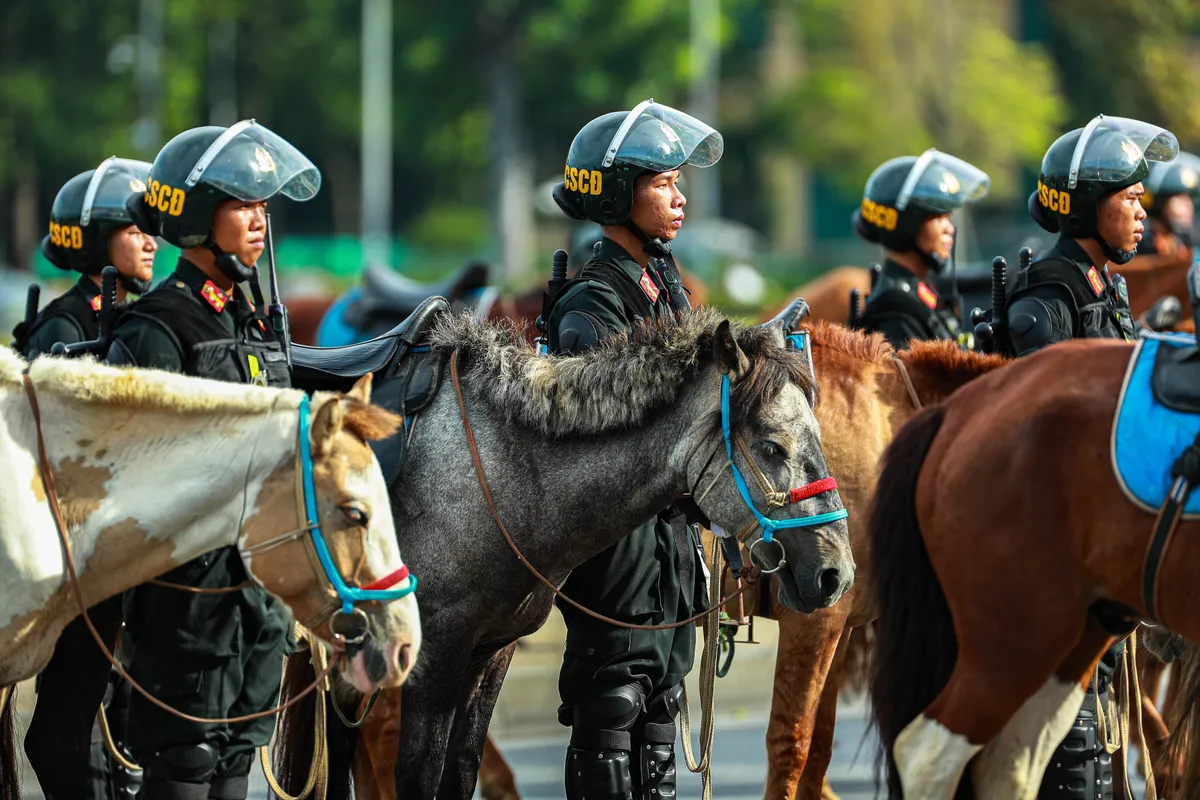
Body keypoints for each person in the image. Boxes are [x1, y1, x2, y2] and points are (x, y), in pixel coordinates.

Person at [105, 119, 320, 800]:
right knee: (186, 773)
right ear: (200, 216)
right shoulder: (158, 329)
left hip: (254, 609)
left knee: (232, 774)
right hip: (185, 617)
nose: (260, 222)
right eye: (243, 205)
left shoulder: (249, 324)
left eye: (263, 207)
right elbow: (137, 478)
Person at [545, 100, 722, 800]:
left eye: (679, 183)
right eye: (663, 184)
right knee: (612, 707)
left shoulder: (662, 285)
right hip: (617, 548)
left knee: (660, 714)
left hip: (669, 546)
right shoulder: (592, 305)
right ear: (618, 194)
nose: (679, 199)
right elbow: (615, 429)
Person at [1001, 114, 1179, 800]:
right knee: (1071, 758)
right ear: (1084, 207)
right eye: (1129, 199)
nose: (1143, 213)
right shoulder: (1048, 301)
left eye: (1142, 199)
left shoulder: (1104, 289)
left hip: (1100, 560)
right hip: (1056, 560)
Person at [20, 157, 157, 800]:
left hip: (123, 554)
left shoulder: (133, 316)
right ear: (100, 242)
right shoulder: (66, 326)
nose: (153, 239)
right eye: (136, 229)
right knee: (72, 723)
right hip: (77, 561)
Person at [14, 157, 157, 358]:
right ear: (97, 242)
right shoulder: (65, 325)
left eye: (149, 232)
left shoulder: (123, 315)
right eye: (135, 233)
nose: (151, 245)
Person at [851, 149, 990, 349]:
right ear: (907, 225)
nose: (949, 228)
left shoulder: (918, 290)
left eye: (948, 217)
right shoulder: (894, 306)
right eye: (937, 218)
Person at [1130, 150, 1200, 270]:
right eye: (1178, 200)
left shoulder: (1187, 244)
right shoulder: (1137, 246)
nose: (1187, 207)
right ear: (1158, 205)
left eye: (1188, 200)